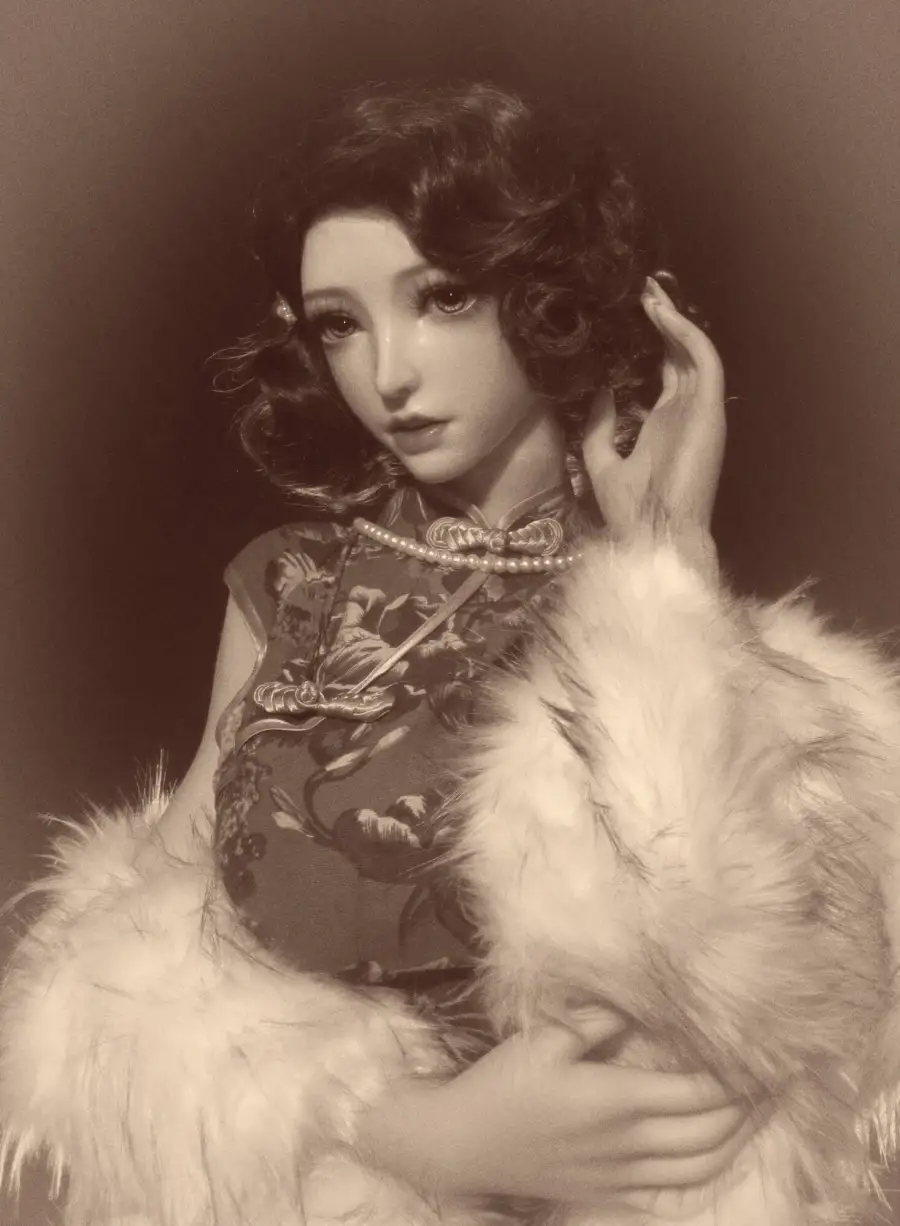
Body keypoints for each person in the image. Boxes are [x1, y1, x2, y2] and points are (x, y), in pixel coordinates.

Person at [1, 82, 897, 1226]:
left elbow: (749, 986)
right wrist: (412, 1132)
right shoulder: (292, 585)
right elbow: (136, 940)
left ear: (547, 296)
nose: (389, 373)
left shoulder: (667, 624)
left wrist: (668, 561)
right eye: (338, 322)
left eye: (442, 298)